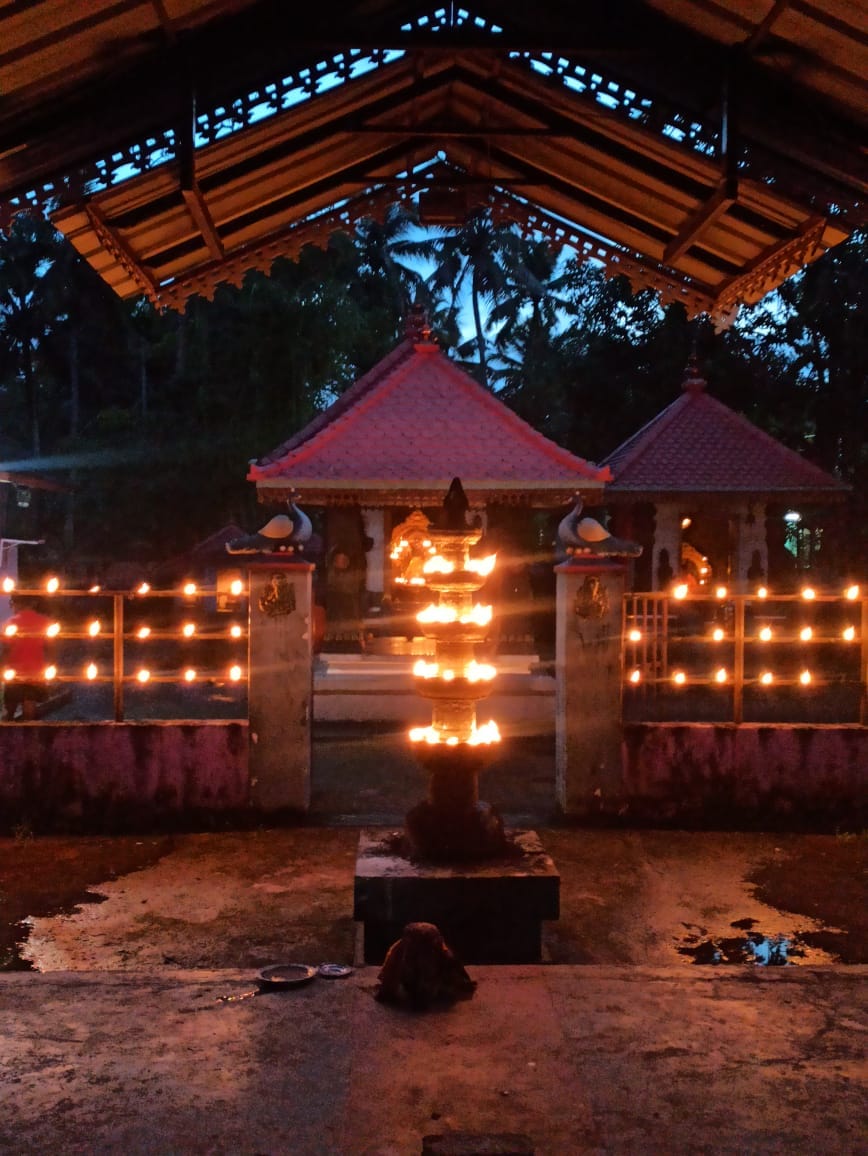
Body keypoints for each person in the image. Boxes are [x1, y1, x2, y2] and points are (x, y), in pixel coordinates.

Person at [1, 595, 52, 721]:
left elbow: (6, 649)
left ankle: (7, 736)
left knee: (10, 708)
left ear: (16, 604)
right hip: (36, 672)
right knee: (30, 706)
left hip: (14, 672)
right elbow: (49, 648)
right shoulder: (44, 622)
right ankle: (30, 736)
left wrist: (2, 665)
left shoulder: (11, 623)